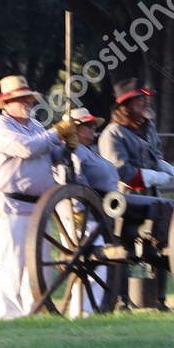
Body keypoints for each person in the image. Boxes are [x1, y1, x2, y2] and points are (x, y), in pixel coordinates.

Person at [0, 74, 66, 318]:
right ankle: (10, 314)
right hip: (12, 203)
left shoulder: (36, 127)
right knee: (13, 262)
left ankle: (36, 309)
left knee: (39, 262)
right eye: (21, 99)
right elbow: (25, 148)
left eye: (28, 98)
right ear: (6, 103)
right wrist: (56, 132)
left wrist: (68, 141)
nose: (27, 103)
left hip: (40, 205)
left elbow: (53, 154)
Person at [98, 77, 174, 307]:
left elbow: (157, 154)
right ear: (125, 106)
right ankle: (124, 299)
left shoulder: (148, 126)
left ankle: (157, 299)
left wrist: (165, 167)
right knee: (125, 247)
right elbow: (120, 171)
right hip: (124, 199)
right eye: (139, 101)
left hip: (151, 196)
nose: (145, 104)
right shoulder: (113, 134)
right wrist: (150, 175)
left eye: (145, 99)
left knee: (161, 243)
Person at [57, 106, 118, 316]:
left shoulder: (86, 150)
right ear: (75, 129)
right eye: (88, 126)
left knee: (96, 266)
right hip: (84, 217)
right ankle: (84, 311)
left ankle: (87, 310)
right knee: (95, 264)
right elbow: (74, 182)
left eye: (93, 126)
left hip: (96, 215)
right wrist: (79, 210)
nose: (93, 130)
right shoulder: (73, 152)